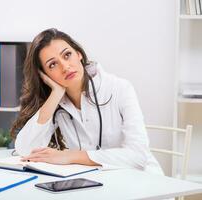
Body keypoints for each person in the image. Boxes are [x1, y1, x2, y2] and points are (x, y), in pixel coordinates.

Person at [10, 28, 163, 175]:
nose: (65, 66)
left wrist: (69, 156)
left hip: (142, 182)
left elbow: (137, 157)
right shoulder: (57, 102)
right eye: (52, 64)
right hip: (96, 185)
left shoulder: (119, 88)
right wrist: (55, 94)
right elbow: (25, 150)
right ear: (45, 76)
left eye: (67, 55)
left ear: (78, 54)